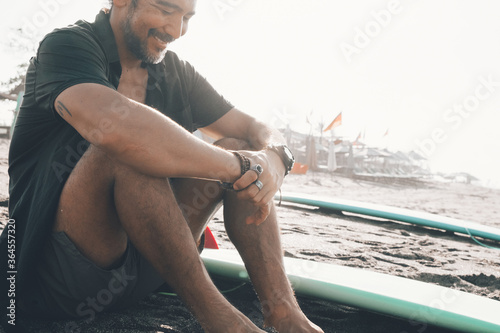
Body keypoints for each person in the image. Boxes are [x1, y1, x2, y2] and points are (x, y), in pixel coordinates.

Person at [0, 0, 323, 332]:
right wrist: (238, 167)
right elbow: (114, 126)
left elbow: (253, 128)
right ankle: (224, 322)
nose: (176, 30)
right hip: (57, 278)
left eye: (187, 18)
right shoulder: (67, 45)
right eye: (167, 10)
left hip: (147, 271)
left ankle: (286, 315)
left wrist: (275, 157)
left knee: (240, 147)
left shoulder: (176, 72)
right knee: (123, 148)